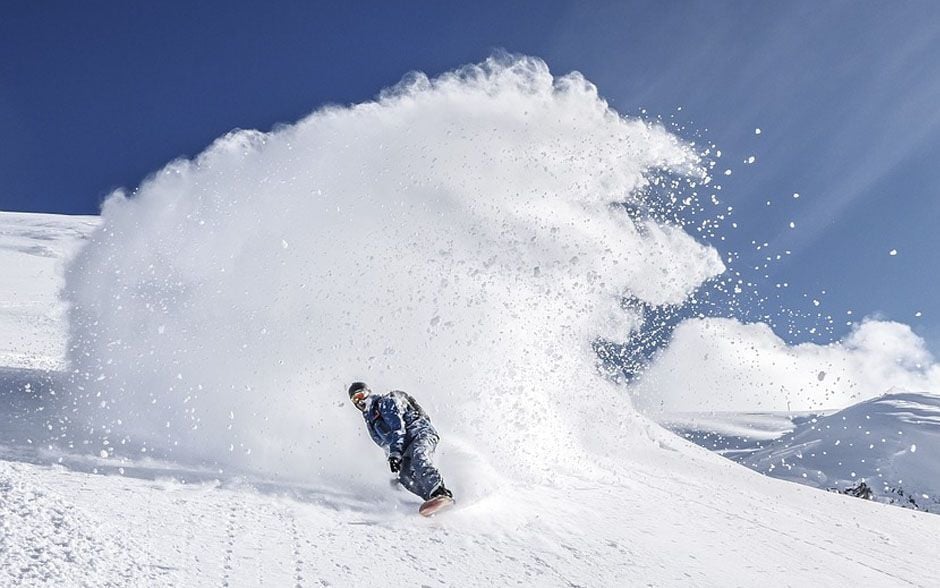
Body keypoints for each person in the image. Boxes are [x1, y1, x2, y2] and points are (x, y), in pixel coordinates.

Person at [348, 381, 453, 503]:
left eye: (361, 395)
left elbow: (398, 428)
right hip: (405, 447)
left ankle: (439, 490)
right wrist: (394, 465)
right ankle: (432, 499)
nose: (359, 401)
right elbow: (386, 445)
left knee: (419, 456)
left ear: (368, 393)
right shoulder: (371, 422)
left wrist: (395, 454)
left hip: (420, 433)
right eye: (355, 399)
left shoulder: (385, 403)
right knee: (404, 476)